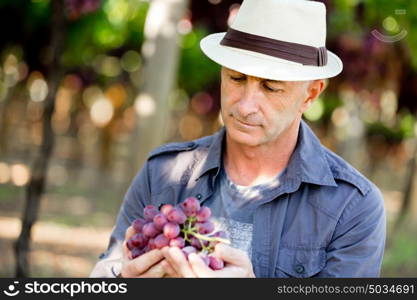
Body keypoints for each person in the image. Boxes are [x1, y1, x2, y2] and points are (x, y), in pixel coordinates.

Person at [90, 0, 386, 278]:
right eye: (236, 78)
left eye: (271, 88)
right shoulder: (163, 173)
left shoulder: (353, 207)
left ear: (310, 94)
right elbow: (104, 274)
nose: (245, 105)